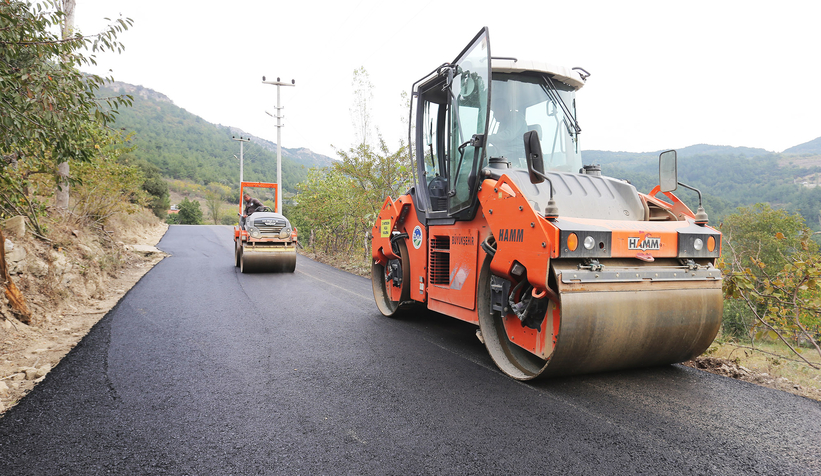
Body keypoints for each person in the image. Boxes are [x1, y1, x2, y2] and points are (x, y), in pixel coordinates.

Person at [488, 94, 528, 166]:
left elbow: (507, 136)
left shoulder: (516, 118)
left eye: (495, 111)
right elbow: (499, 142)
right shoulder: (503, 123)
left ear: (502, 109)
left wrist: (487, 138)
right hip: (504, 156)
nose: (494, 115)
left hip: (515, 159)